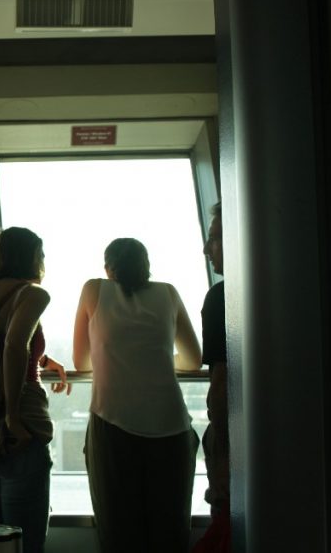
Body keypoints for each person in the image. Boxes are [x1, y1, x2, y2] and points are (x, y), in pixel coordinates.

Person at [72, 238, 201, 553]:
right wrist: (155, 355)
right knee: (169, 530)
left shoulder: (93, 290)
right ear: (147, 267)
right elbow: (193, 360)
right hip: (171, 427)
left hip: (112, 422)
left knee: (119, 531)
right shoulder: (168, 292)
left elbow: (81, 362)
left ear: (108, 268)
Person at [0, 227, 70, 553]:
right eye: (42, 253)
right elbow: (12, 345)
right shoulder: (33, 294)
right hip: (18, 426)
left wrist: (43, 359)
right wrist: (13, 418)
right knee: (25, 544)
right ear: (33, 257)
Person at [192, 203, 231, 553]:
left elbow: (220, 383)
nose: (207, 248)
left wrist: (219, 456)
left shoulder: (221, 298)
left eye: (215, 238)